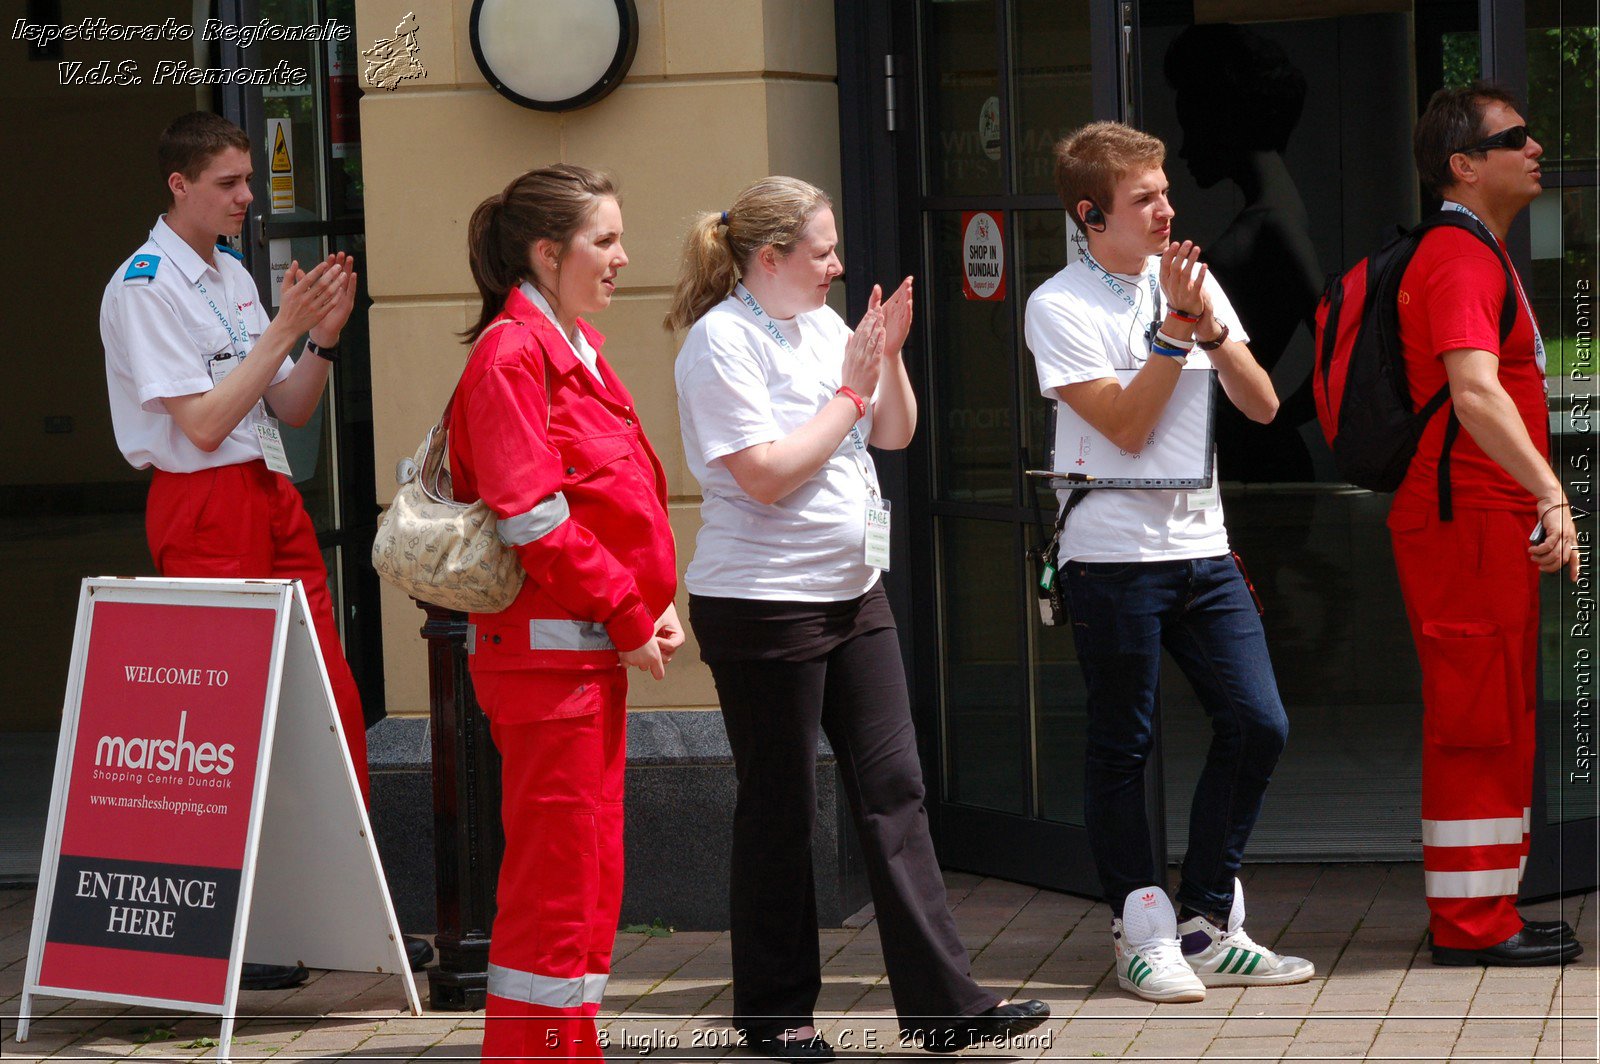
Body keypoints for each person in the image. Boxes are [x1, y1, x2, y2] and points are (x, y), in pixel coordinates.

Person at [668, 176, 1048, 1061]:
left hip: (852, 593)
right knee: (782, 807)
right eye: (823, 250)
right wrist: (848, 392)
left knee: (896, 792)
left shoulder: (828, 328)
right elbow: (764, 473)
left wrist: (889, 358)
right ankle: (775, 1015)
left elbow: (896, 434)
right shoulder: (721, 342)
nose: (839, 264)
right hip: (764, 606)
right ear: (770, 258)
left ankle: (944, 1002)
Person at [1023, 122, 1312, 1003]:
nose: (1166, 208)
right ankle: (1139, 929)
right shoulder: (1058, 305)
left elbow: (1261, 405)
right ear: (1090, 214)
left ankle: (1208, 918)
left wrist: (1209, 327)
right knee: (1125, 743)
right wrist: (1176, 332)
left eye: (1164, 189)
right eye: (1143, 197)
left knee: (1259, 722)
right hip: (1111, 556)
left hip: (1203, 545)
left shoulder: (1188, 279)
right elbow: (1126, 426)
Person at [101, 111, 385, 991]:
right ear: (178, 186)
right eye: (228, 183)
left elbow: (287, 411)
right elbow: (205, 421)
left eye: (249, 180)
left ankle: (341, 915)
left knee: (324, 696)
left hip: (267, 493)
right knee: (224, 720)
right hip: (203, 501)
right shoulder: (145, 286)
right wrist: (278, 329)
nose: (247, 197)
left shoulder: (228, 273)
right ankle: (226, 930)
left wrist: (323, 335)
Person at [448, 165, 681, 1060]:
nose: (623, 258)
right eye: (606, 240)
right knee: (555, 891)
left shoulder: (565, 345)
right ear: (549, 253)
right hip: (550, 668)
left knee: (584, 884)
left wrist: (643, 608)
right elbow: (534, 518)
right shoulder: (516, 355)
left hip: (577, 660)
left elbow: (599, 506)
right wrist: (629, 610)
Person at [1392, 84, 1580, 967]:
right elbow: (1475, 392)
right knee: (1476, 720)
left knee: (1496, 714)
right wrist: (1551, 493)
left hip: (1480, 518)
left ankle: (1488, 911)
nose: (1536, 147)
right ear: (1464, 166)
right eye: (1517, 136)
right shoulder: (1461, 257)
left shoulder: (1481, 252)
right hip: (1467, 518)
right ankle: (1470, 927)